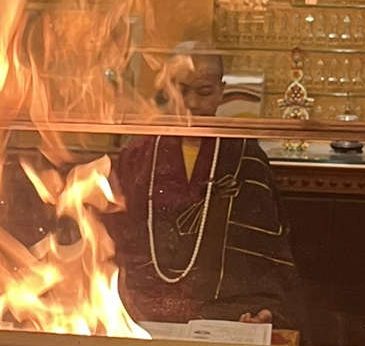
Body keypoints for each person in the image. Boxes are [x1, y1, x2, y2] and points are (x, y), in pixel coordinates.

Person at [108, 46, 299, 329]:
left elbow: (263, 254)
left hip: (225, 308)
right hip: (144, 305)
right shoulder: (139, 154)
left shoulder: (244, 155)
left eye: (204, 92)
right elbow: (113, 239)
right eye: (182, 91)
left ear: (222, 92)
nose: (192, 103)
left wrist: (264, 309)